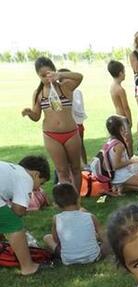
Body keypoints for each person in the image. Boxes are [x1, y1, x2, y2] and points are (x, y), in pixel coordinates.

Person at [21, 57, 84, 191]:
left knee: (75, 168)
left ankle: (77, 200)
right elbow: (37, 116)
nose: (46, 78)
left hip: (71, 133)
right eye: (42, 76)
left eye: (49, 74)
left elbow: (79, 77)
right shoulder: (38, 93)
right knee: (62, 171)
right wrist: (30, 113)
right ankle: (67, 202)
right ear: (38, 76)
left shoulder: (65, 86)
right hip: (51, 136)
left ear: (54, 72)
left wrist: (60, 75)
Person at [0, 156, 50, 275]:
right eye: (41, 183)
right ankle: (28, 267)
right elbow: (18, 210)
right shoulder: (26, 178)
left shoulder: (13, 170)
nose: (38, 188)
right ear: (36, 174)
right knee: (14, 224)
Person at [43, 182, 103, 264]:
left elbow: (56, 240)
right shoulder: (90, 216)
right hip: (93, 256)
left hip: (68, 259)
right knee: (94, 234)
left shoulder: (56, 219)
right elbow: (103, 235)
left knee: (47, 237)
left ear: (56, 205)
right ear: (78, 199)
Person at [106, 115, 138, 193]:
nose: (126, 130)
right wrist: (132, 161)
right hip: (122, 176)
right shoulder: (119, 145)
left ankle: (122, 187)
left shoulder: (110, 141)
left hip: (118, 175)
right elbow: (116, 165)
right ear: (120, 129)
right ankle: (122, 186)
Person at [59, 68, 88, 164]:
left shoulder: (72, 92)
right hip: (77, 123)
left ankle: (82, 166)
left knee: (76, 148)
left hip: (73, 125)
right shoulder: (76, 91)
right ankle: (84, 165)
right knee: (80, 147)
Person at [108, 60, 132, 127]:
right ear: (120, 73)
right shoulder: (120, 90)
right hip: (123, 118)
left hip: (117, 115)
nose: (125, 74)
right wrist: (129, 121)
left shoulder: (112, 86)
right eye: (124, 72)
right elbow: (126, 107)